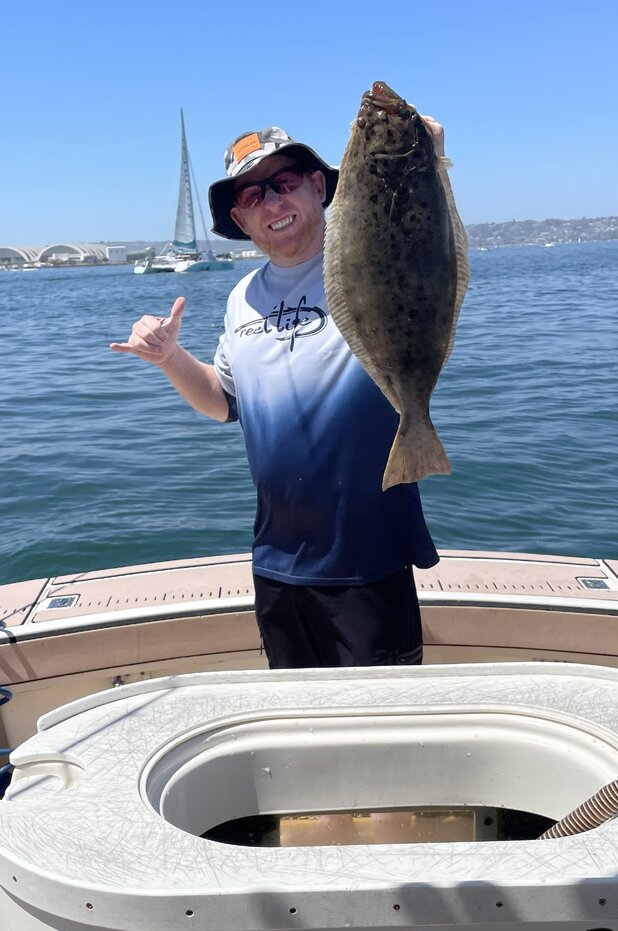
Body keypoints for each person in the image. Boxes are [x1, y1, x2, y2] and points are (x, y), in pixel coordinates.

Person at [110, 122, 444, 669]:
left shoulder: (369, 262)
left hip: (369, 559)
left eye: (284, 181)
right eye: (252, 194)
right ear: (240, 218)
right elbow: (225, 402)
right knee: (298, 729)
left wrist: (425, 156)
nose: (272, 202)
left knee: (378, 735)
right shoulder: (242, 297)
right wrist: (170, 358)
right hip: (277, 563)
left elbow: (422, 246)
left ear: (319, 185)